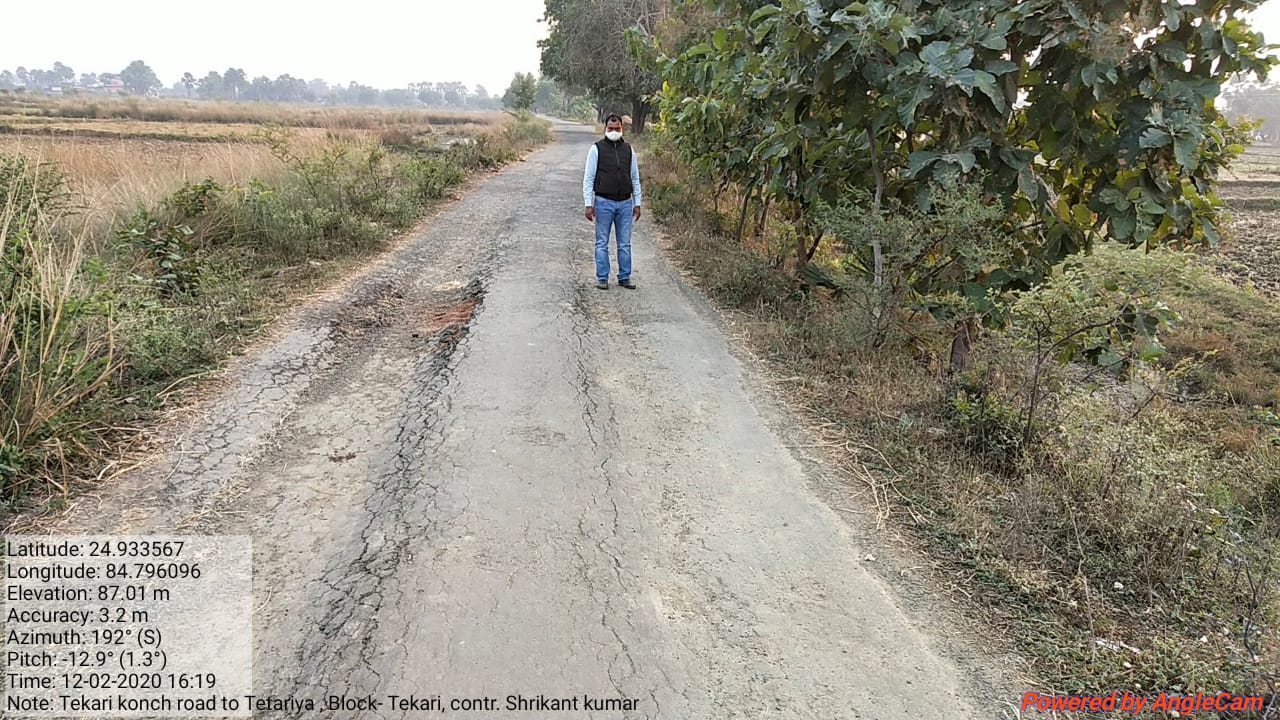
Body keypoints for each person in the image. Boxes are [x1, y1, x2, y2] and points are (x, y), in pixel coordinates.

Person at [583, 113, 642, 290]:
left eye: (617, 128)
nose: (614, 131)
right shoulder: (596, 149)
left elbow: (635, 178)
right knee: (602, 242)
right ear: (605, 129)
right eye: (611, 128)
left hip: (625, 203)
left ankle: (625, 277)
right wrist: (588, 204)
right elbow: (588, 178)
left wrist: (637, 203)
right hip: (603, 202)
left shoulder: (629, 150)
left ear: (622, 129)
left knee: (624, 244)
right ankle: (602, 277)